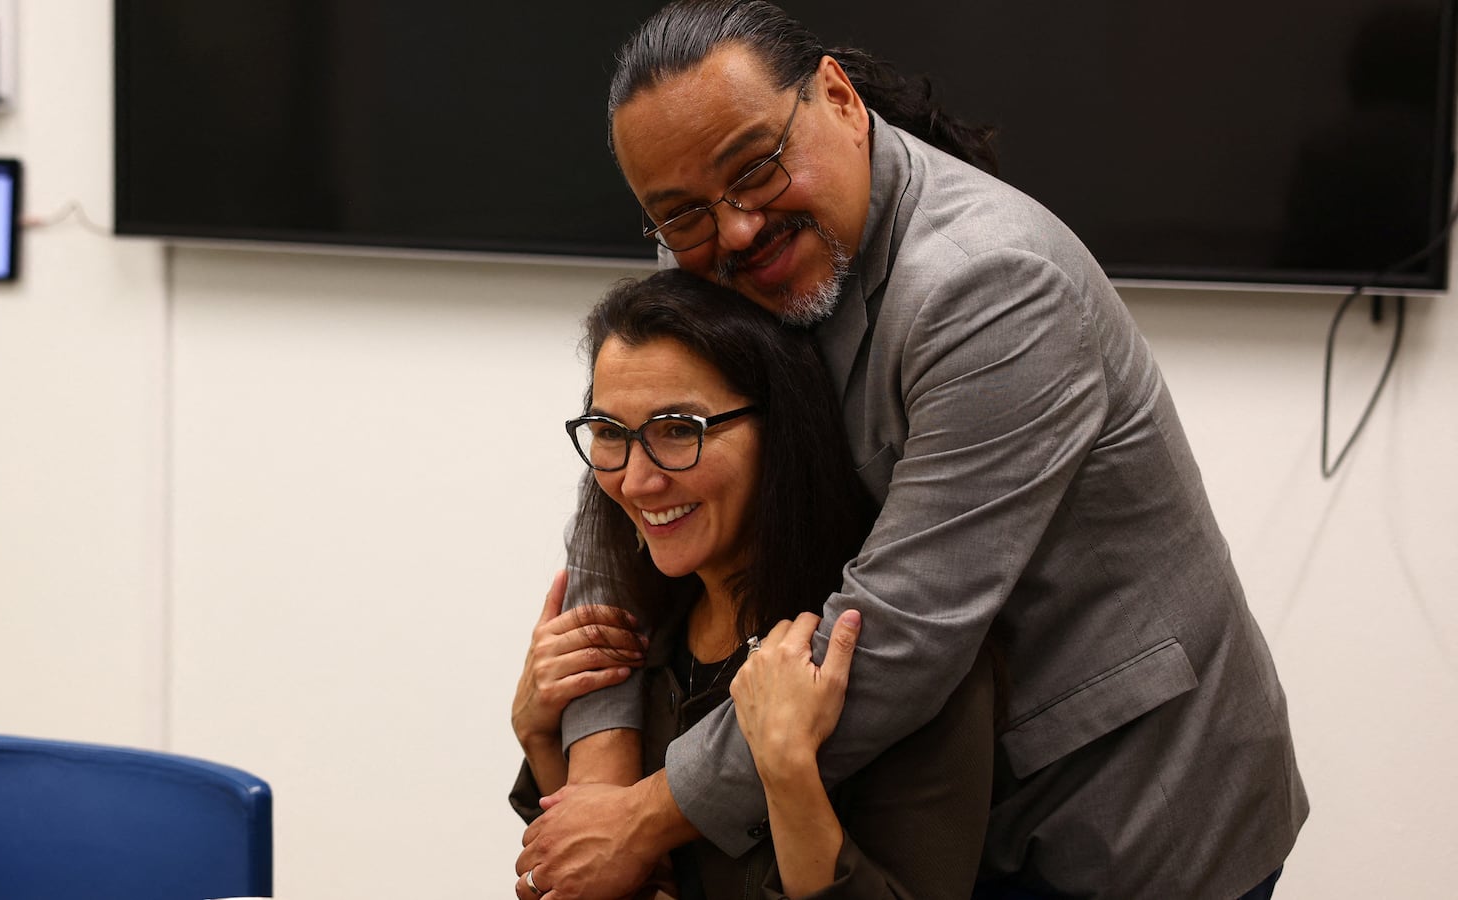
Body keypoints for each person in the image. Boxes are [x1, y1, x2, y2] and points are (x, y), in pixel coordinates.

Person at [516, 3, 1308, 898]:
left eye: (758, 167)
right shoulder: (710, 252)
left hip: (1117, 806)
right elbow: (616, 497)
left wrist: (644, 819)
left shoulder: (993, 283)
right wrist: (599, 777)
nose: (736, 230)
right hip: (909, 796)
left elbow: (896, 632)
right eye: (684, 215)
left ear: (840, 99)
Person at [511, 269, 995, 899]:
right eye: (610, 433)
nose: (636, 480)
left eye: (679, 430)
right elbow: (587, 869)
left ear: (781, 432)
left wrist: (789, 774)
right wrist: (542, 738)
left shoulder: (882, 657)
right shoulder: (641, 641)